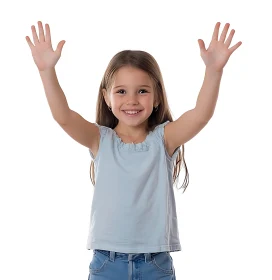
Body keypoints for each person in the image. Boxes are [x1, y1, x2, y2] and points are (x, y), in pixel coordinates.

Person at [26, 21, 242, 280]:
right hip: (107, 264)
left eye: (142, 91)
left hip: (155, 265)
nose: (131, 100)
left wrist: (213, 71)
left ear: (157, 97)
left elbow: (200, 117)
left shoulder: (164, 139)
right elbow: (63, 117)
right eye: (121, 91)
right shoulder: (100, 140)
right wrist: (46, 70)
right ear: (107, 97)